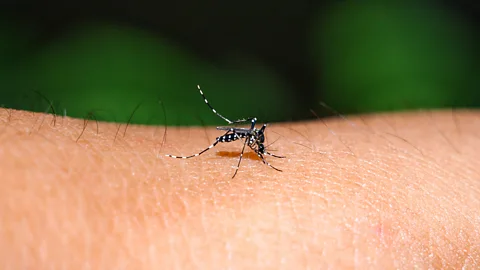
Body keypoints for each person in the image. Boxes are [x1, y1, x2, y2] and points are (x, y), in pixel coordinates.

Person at [1, 108, 479, 269]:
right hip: (236, 137)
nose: (253, 145)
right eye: (254, 146)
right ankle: (211, 148)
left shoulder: (256, 140)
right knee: (245, 136)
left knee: (256, 132)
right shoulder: (244, 142)